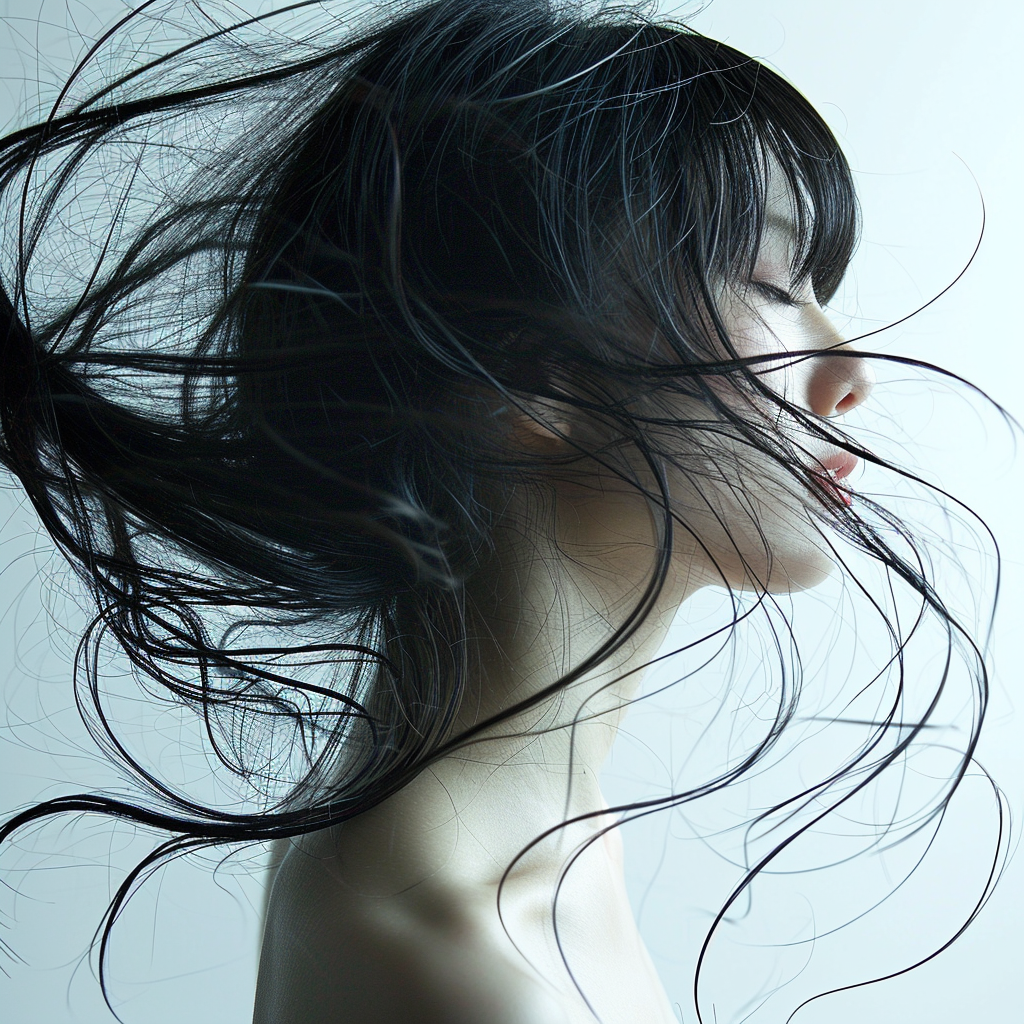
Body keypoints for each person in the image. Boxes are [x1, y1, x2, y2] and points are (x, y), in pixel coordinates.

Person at [0, 1, 998, 1022]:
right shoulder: (465, 972)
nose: (852, 374)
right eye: (775, 284)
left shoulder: (547, 837)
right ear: (521, 373)